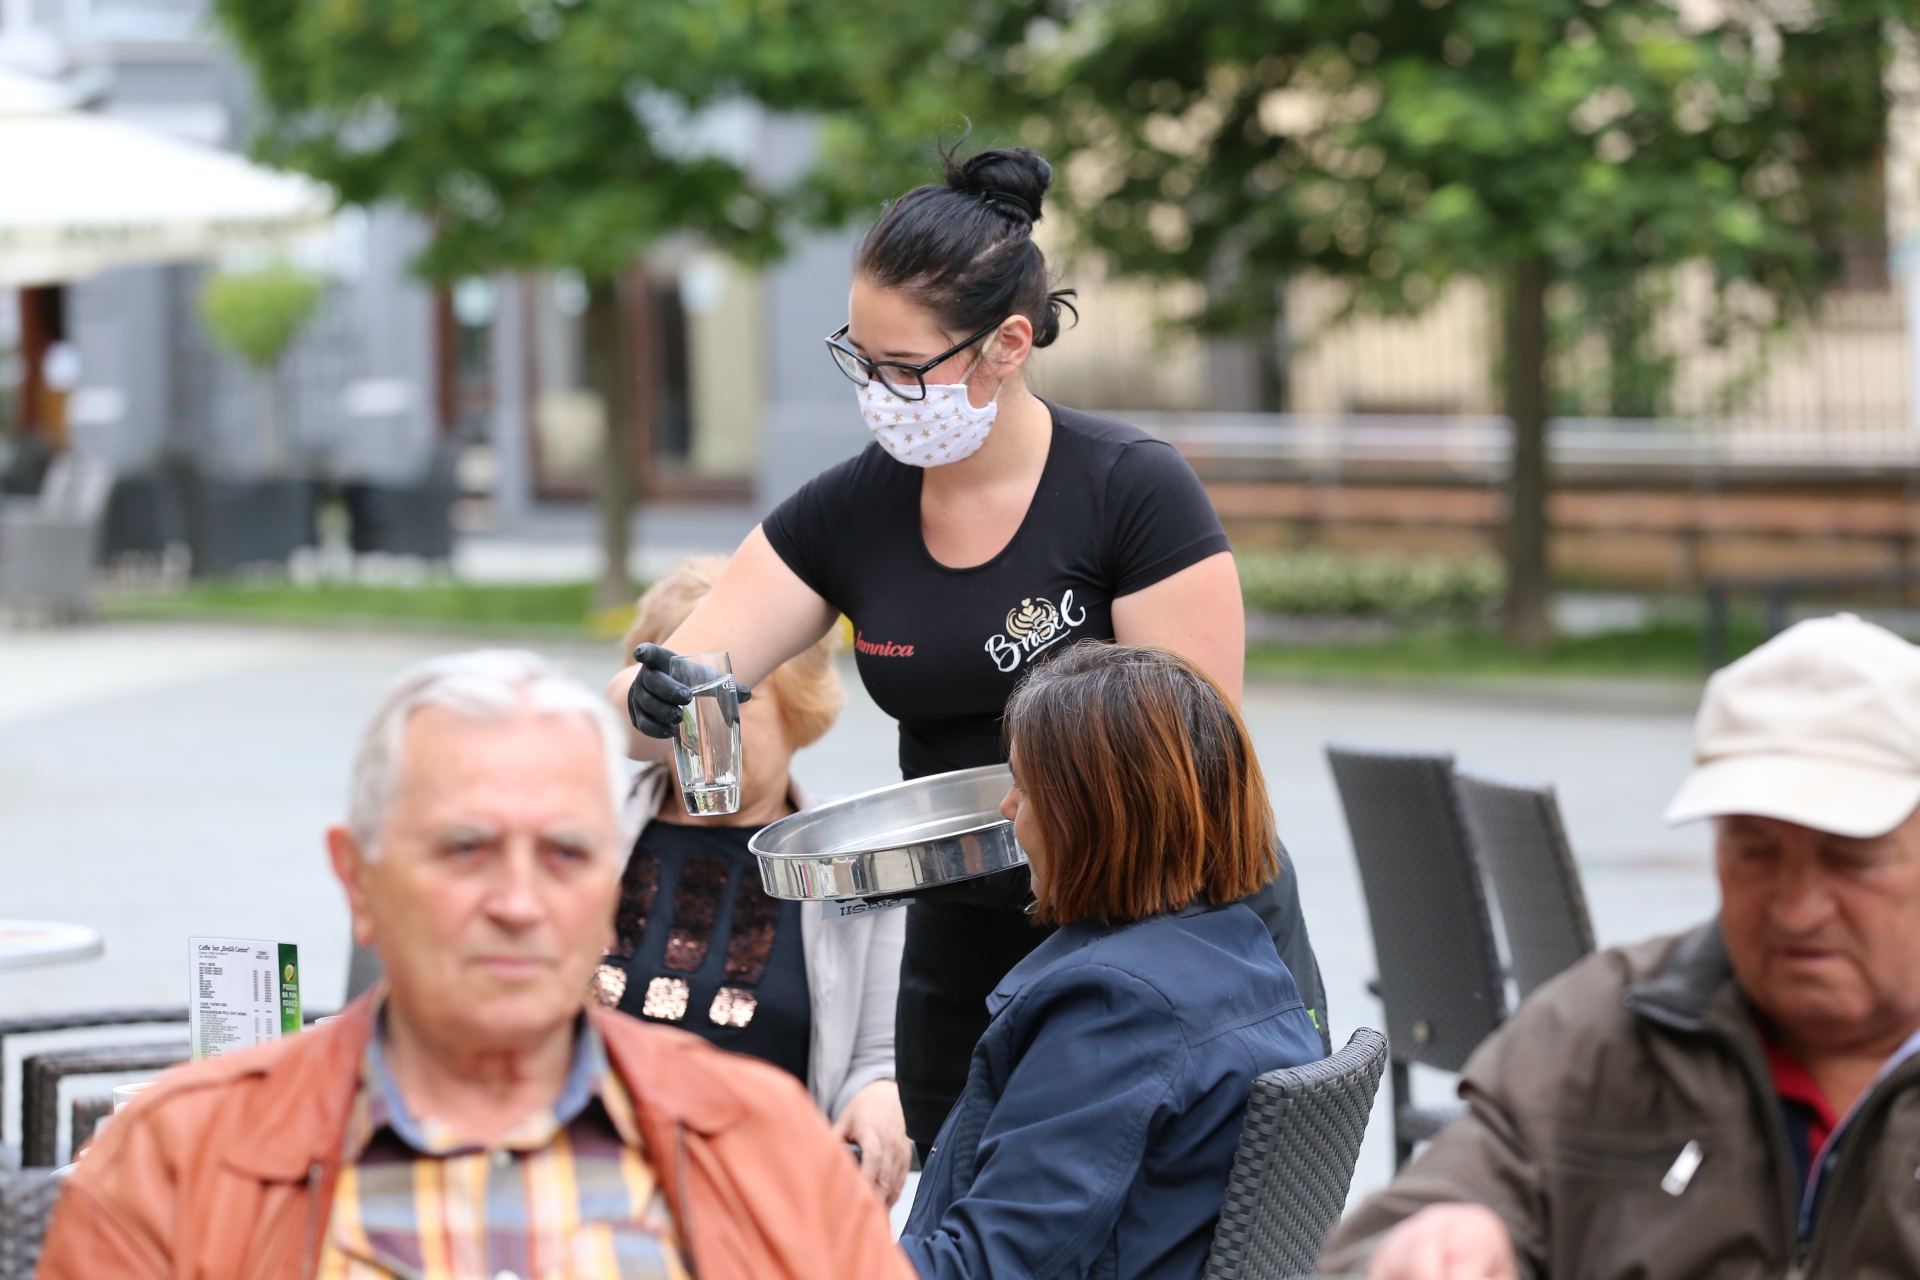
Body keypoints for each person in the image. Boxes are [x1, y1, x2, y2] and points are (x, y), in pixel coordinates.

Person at [608, 143, 1328, 1154]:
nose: (879, 392)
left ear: (1009, 343)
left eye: (906, 368)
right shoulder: (854, 508)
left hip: (1170, 942)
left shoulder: (1134, 490)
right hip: (966, 941)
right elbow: (676, 669)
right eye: (860, 358)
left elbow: (1195, 776)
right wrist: (656, 701)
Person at [39, 650, 912, 1280]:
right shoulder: (179, 1161)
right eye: (465, 849)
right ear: (358, 880)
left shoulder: (765, 1149)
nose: (519, 901)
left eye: (567, 854)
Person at [1320, 613, 1920, 1280]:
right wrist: (1430, 1244)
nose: (1798, 909)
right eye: (1755, 851)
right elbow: (1425, 1211)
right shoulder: (1607, 1032)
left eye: (1851, 860)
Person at [899, 642, 1324, 1280]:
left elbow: (985, 1267)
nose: (1007, 810)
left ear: (1091, 817)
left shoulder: (1117, 1009)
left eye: (1025, 785)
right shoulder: (1241, 953)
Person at [592, 555, 911, 1205]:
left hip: (761, 1203)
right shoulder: (585, 831)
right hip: (590, 1192)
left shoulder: (850, 861)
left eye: (730, 697)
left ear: (798, 707)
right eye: (675, 698)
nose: (701, 724)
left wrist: (881, 1093)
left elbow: (880, 1052)